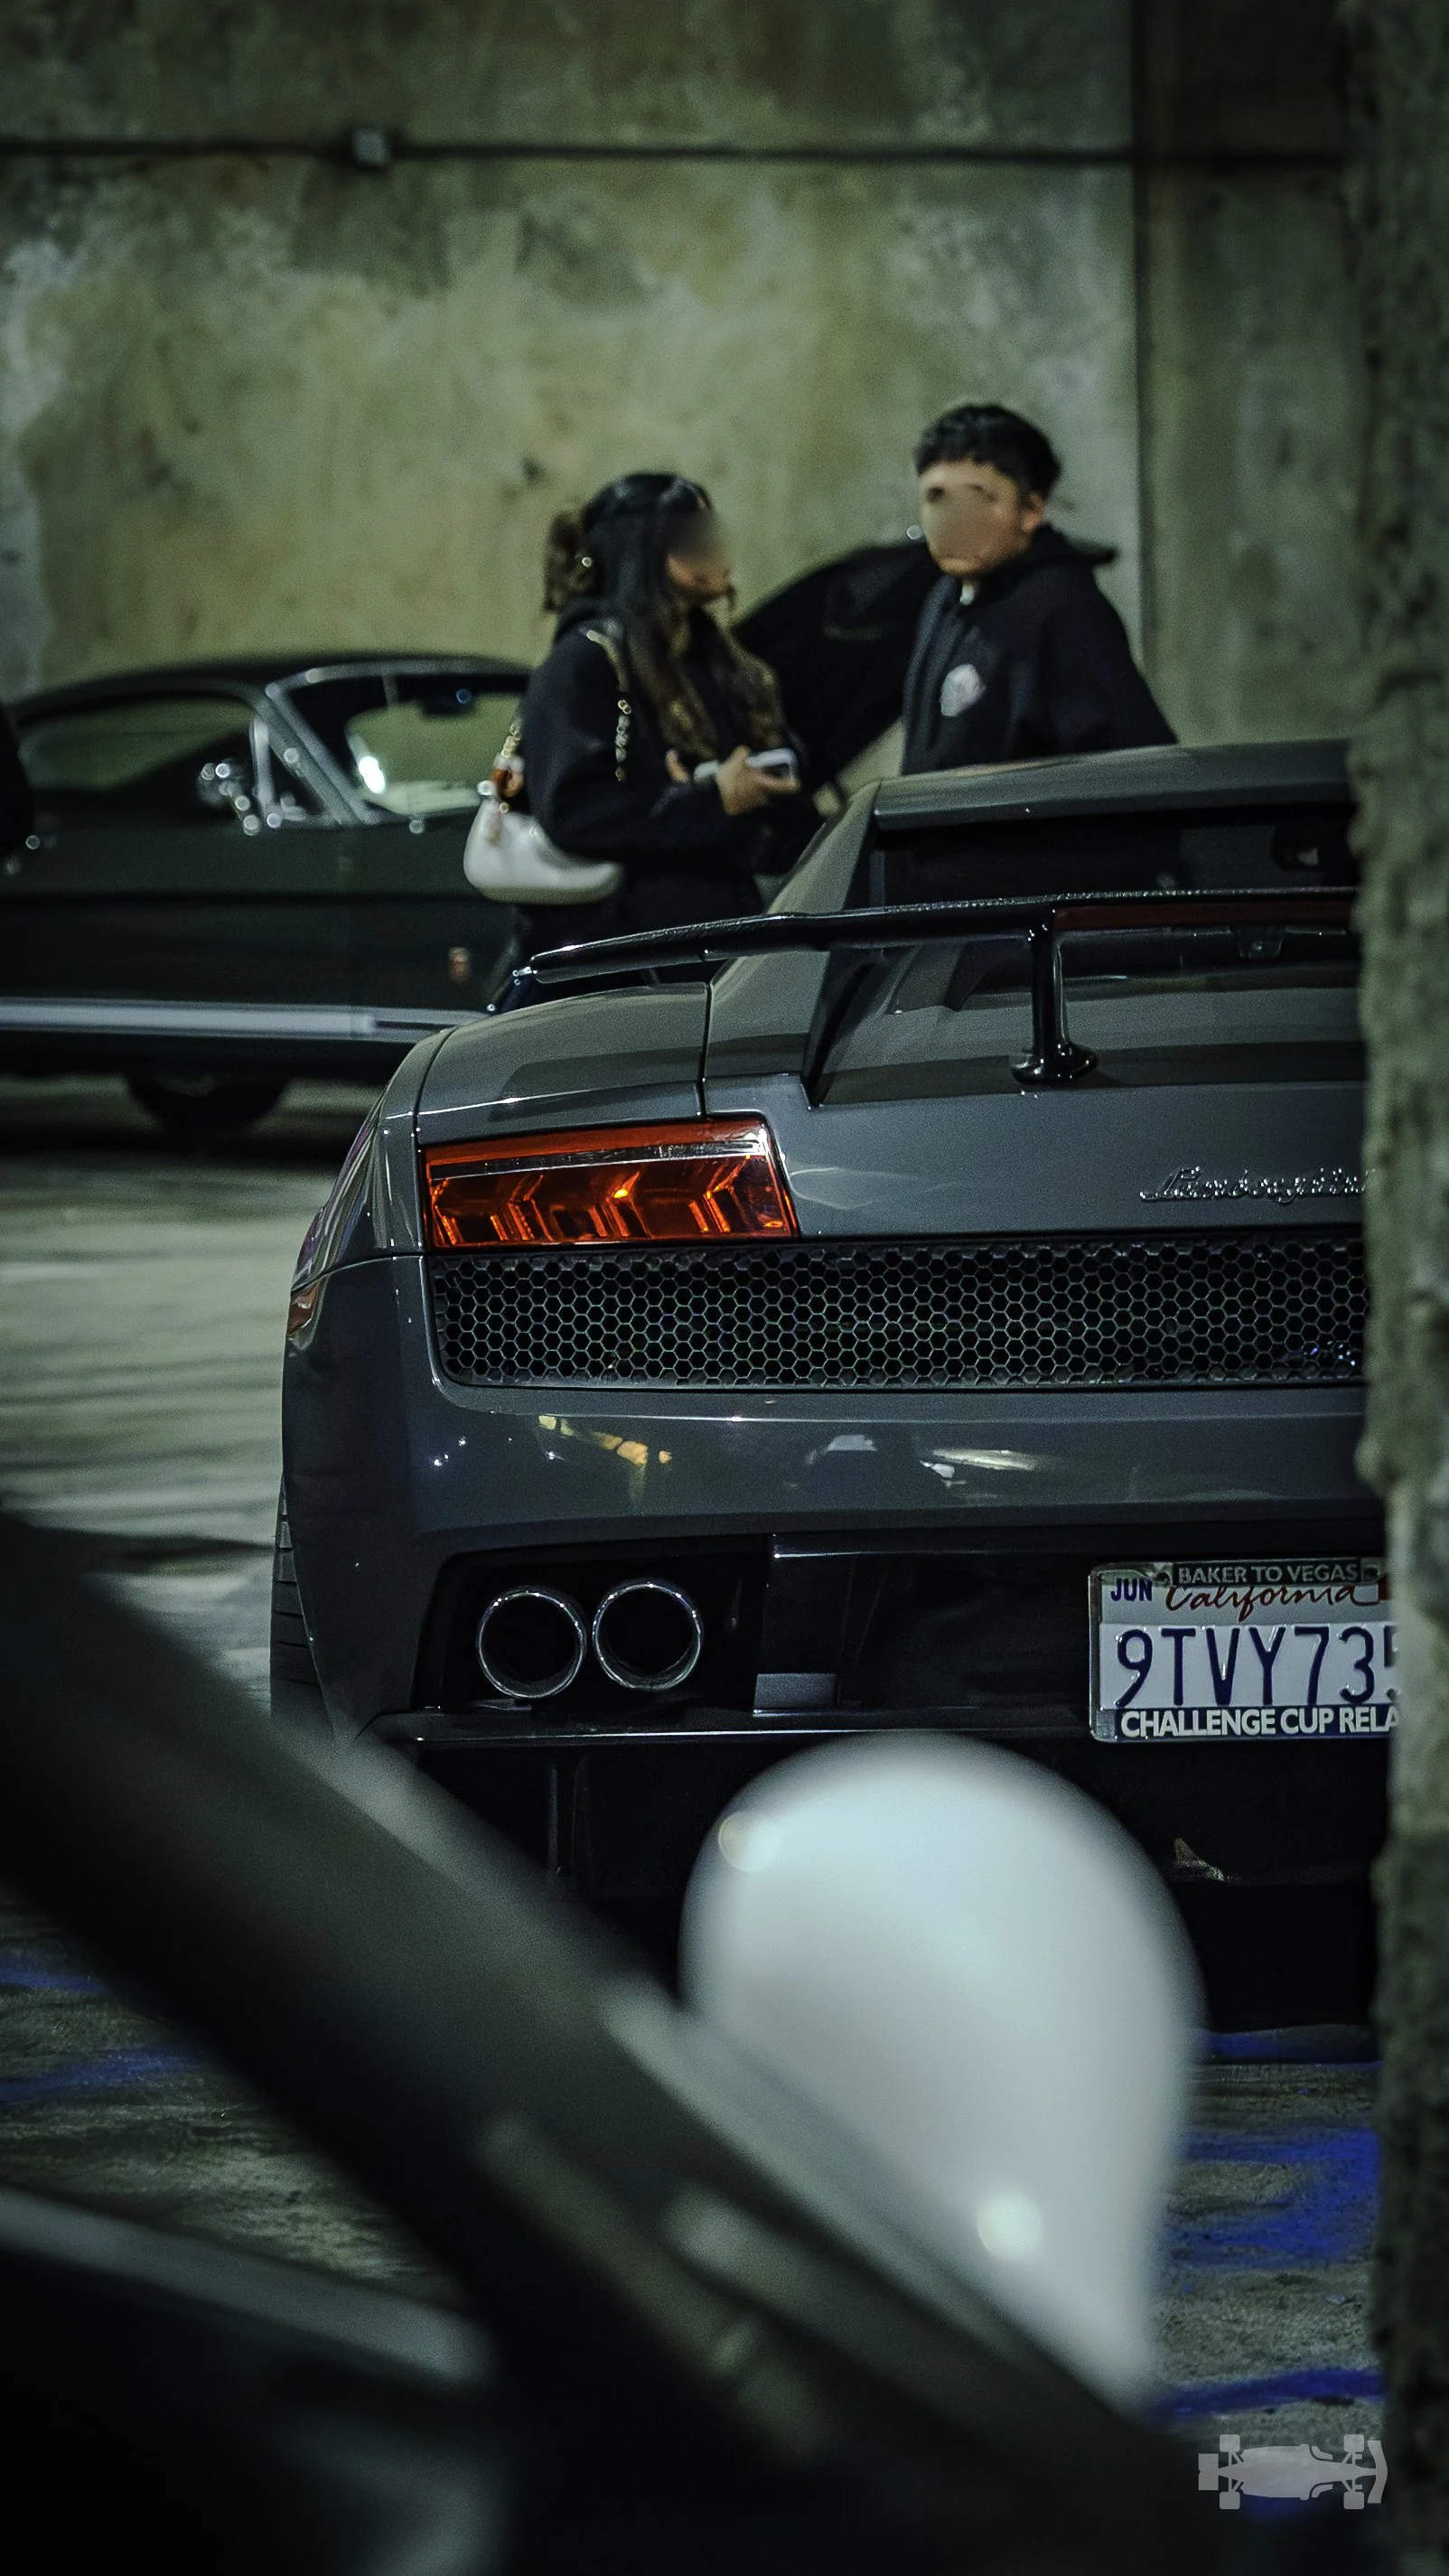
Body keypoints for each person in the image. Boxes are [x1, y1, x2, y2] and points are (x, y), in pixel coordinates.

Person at [507, 473, 801, 962]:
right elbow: (574, 810)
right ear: (645, 550)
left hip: (714, 942)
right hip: (623, 959)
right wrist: (710, 800)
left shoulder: (711, 657)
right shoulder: (585, 661)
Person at [901, 402, 1174, 774]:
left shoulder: (1065, 611)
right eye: (936, 499)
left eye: (977, 500)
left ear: (1030, 509)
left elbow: (1136, 771)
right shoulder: (943, 599)